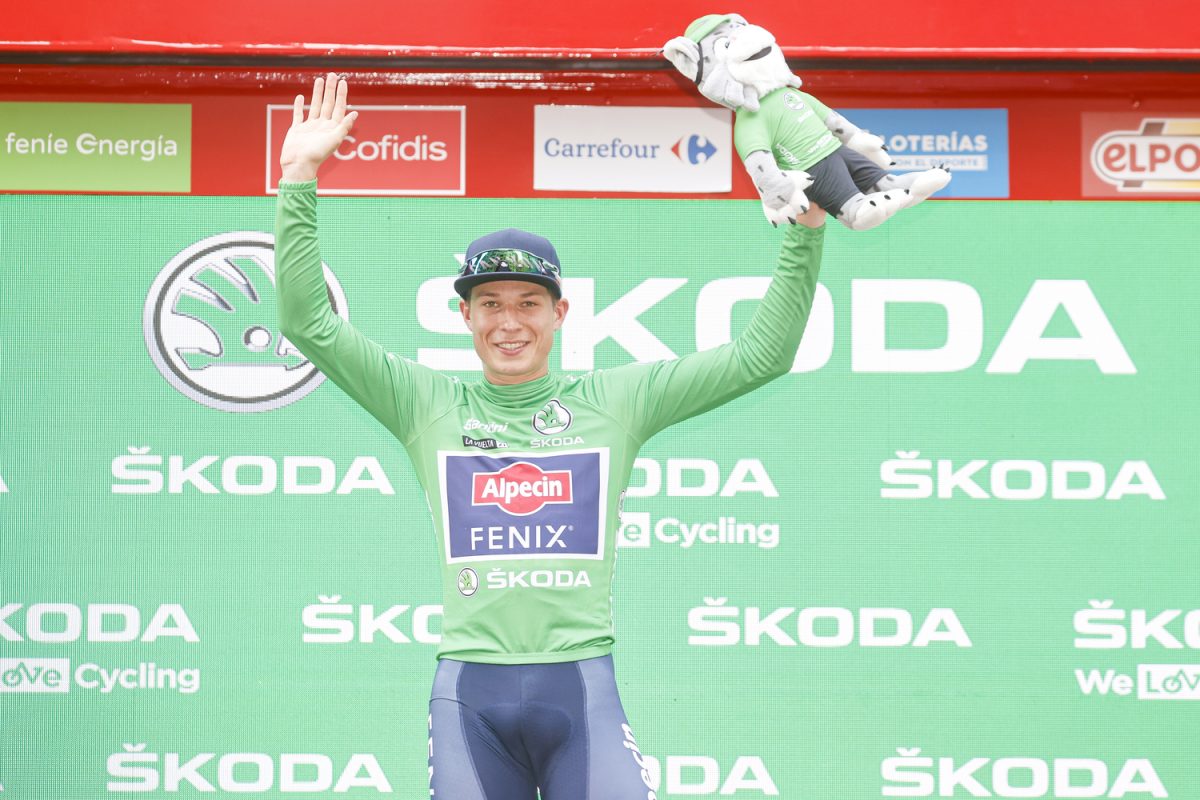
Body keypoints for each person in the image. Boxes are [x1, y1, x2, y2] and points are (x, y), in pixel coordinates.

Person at [275, 72, 826, 799]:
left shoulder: (616, 401)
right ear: (465, 316)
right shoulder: (425, 404)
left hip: (581, 688)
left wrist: (805, 234)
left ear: (559, 313)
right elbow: (307, 324)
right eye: (490, 304)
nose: (509, 323)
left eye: (529, 303)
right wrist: (298, 176)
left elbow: (764, 355)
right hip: (470, 696)